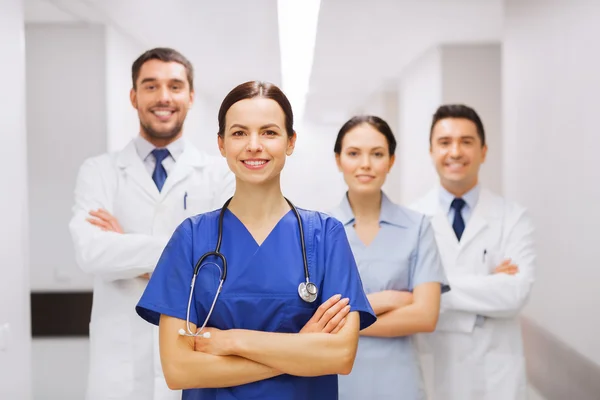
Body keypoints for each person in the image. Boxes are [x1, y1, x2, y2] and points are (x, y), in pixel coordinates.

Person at [135, 80, 376, 400]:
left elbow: (340, 356)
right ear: (221, 144)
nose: (253, 145)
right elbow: (179, 370)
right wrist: (301, 348)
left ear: (290, 142)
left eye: (269, 132)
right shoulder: (191, 239)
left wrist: (232, 341)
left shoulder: (325, 235)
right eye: (238, 133)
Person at [68, 48, 235, 400]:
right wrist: (187, 254)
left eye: (175, 86)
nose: (163, 97)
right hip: (118, 368)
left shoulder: (220, 176)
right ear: (133, 96)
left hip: (194, 355)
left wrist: (125, 245)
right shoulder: (99, 171)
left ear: (190, 96)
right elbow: (91, 252)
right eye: (150, 86)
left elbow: (223, 266)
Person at [410, 104, 536, 400]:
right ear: (431, 151)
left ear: (484, 151)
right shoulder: (411, 219)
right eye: (445, 142)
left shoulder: (513, 217)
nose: (455, 152)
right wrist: (489, 282)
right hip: (434, 367)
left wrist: (431, 289)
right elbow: (405, 294)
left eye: (466, 142)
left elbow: (516, 294)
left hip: (496, 375)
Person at [328, 116, 449, 400]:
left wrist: (345, 320)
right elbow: (310, 320)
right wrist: (388, 301)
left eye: (377, 154)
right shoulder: (319, 230)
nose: (365, 164)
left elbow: (425, 316)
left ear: (391, 161)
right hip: (337, 383)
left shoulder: (417, 227)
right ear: (338, 160)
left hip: (398, 383)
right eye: (354, 153)